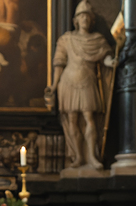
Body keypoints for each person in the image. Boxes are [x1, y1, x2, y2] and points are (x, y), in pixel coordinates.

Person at [45, 0, 115, 170]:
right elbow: (59, 63)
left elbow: (104, 56)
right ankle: (78, 157)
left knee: (90, 118)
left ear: (92, 21)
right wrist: (53, 86)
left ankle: (92, 156)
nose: (84, 19)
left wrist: (110, 62)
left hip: (87, 82)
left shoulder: (97, 40)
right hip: (68, 83)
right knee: (72, 120)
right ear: (75, 20)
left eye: (87, 17)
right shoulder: (66, 39)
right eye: (81, 16)